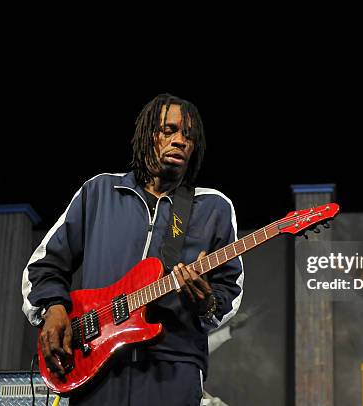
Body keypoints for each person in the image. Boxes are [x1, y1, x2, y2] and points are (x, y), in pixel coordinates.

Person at [21, 93, 244, 405]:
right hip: (94, 366)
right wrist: (54, 310)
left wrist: (206, 303)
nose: (180, 140)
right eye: (170, 130)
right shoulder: (99, 191)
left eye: (189, 136)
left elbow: (228, 292)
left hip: (173, 372)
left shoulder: (212, 207)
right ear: (148, 134)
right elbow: (44, 266)